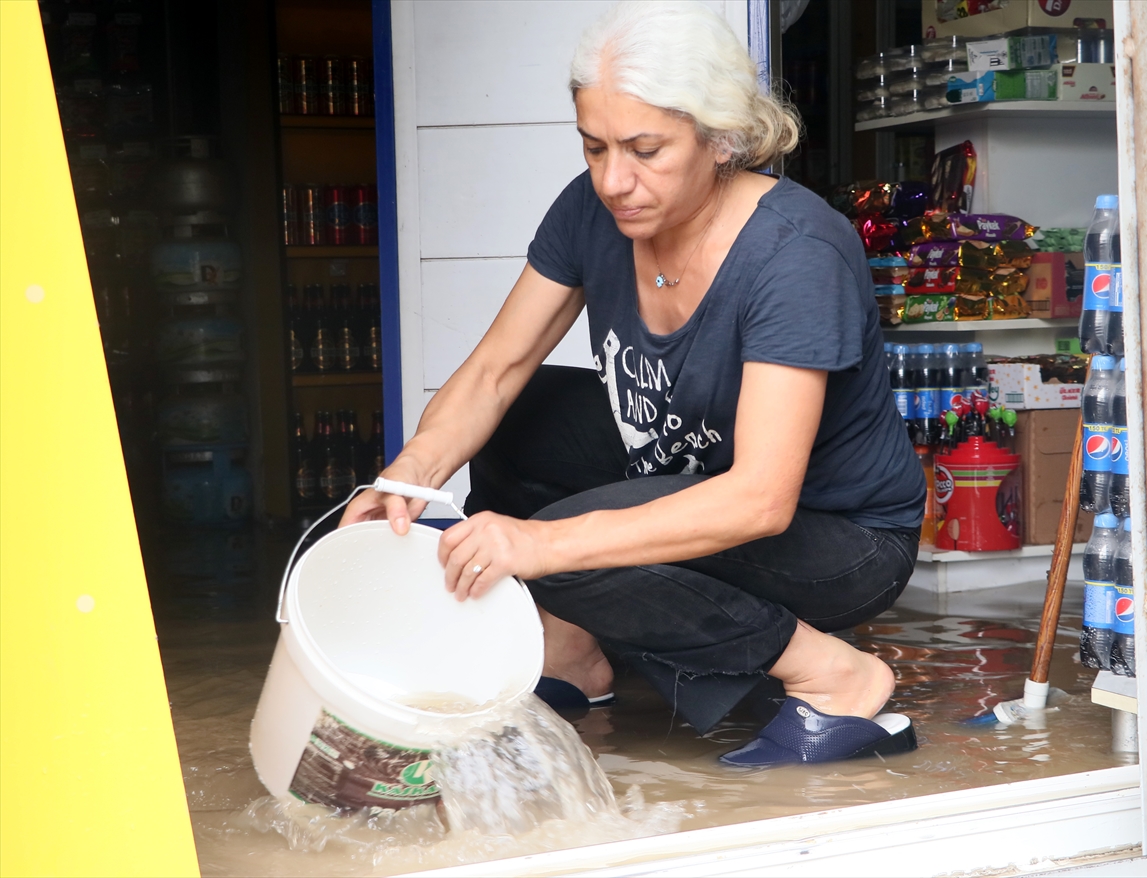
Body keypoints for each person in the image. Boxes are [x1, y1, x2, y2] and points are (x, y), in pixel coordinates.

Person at [342, 0, 925, 765]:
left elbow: (760, 497)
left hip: (837, 537)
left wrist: (541, 543)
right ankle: (575, 656)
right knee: (526, 414)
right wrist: (407, 478)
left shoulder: (795, 252)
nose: (616, 181)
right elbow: (496, 369)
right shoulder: (594, 210)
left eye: (646, 150)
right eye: (595, 148)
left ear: (721, 139)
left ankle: (835, 675)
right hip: (688, 469)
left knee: (573, 549)